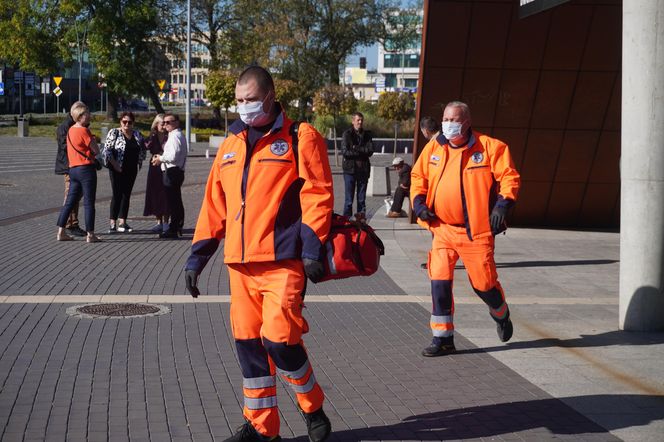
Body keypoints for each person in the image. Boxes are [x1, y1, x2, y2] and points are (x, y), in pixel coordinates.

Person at [184, 66, 333, 442]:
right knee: (249, 347)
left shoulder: (301, 137)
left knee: (281, 340)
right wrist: (197, 257)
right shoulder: (230, 144)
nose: (244, 107)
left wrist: (313, 247)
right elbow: (214, 204)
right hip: (240, 266)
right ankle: (263, 428)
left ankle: (312, 406)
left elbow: (317, 193)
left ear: (269, 96)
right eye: (239, 100)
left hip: (282, 262)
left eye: (250, 99)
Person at [410, 101, 521, 357]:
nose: (447, 124)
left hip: (476, 232)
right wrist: (418, 203)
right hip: (442, 229)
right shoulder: (434, 148)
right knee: (438, 281)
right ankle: (443, 338)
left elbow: (509, 177)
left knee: (484, 285)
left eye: (453, 120)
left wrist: (503, 205)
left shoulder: (491, 147)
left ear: (467, 123)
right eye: (445, 119)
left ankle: (501, 313)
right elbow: (418, 178)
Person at [55, 102, 101, 243]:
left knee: (69, 202)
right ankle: (90, 235)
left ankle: (61, 232)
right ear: (80, 116)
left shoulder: (70, 130)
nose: (89, 115)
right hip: (86, 170)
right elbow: (96, 150)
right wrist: (93, 140)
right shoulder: (84, 131)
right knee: (88, 203)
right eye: (87, 113)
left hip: (73, 169)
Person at [102, 111, 146, 233]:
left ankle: (123, 222)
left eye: (129, 122)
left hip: (131, 168)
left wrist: (140, 161)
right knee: (117, 194)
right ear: (120, 122)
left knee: (127, 194)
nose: (127, 124)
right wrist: (115, 165)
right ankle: (112, 223)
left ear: (133, 123)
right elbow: (107, 151)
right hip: (117, 168)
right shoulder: (114, 132)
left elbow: (143, 148)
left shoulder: (137, 134)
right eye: (124, 122)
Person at [152, 113, 187, 239]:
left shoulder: (175, 136)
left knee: (173, 201)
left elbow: (173, 156)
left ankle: (174, 228)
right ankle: (176, 227)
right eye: (164, 122)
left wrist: (160, 158)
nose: (165, 124)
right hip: (174, 170)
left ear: (176, 122)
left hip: (172, 171)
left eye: (168, 122)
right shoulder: (175, 135)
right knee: (175, 200)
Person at [55, 102, 86, 237]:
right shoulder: (65, 127)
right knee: (70, 196)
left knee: (76, 195)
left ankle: (72, 223)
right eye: (82, 113)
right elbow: (65, 147)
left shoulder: (77, 125)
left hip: (76, 165)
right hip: (69, 166)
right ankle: (69, 224)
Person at [341, 112, 373, 218]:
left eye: (361, 120)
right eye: (358, 120)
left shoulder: (367, 135)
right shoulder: (347, 134)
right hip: (350, 170)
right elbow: (345, 152)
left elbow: (370, 151)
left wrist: (356, 148)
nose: (360, 122)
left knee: (361, 199)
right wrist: (361, 152)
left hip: (363, 170)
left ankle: (361, 222)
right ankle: (346, 221)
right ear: (353, 121)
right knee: (349, 200)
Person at [143, 114, 170, 233]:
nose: (164, 126)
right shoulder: (153, 136)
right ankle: (158, 221)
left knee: (165, 193)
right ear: (156, 124)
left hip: (166, 166)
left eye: (165, 123)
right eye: (161, 123)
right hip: (154, 166)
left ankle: (166, 222)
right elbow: (145, 146)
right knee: (154, 193)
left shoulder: (169, 136)